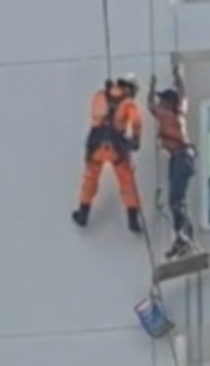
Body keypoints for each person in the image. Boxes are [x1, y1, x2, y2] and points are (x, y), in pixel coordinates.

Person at [72, 73, 144, 234]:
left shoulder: (99, 95)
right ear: (129, 88)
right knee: (127, 181)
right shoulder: (128, 103)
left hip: (95, 146)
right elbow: (137, 121)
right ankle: (133, 219)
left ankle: (83, 213)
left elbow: (95, 114)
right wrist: (136, 139)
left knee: (90, 179)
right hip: (116, 147)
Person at [148, 64, 196, 259]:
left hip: (181, 159)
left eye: (163, 100)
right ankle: (182, 238)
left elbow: (151, 105)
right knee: (178, 200)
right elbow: (183, 95)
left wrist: (151, 88)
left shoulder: (167, 116)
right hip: (186, 159)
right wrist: (178, 77)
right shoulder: (179, 113)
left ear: (168, 103)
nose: (161, 103)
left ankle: (184, 237)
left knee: (176, 202)